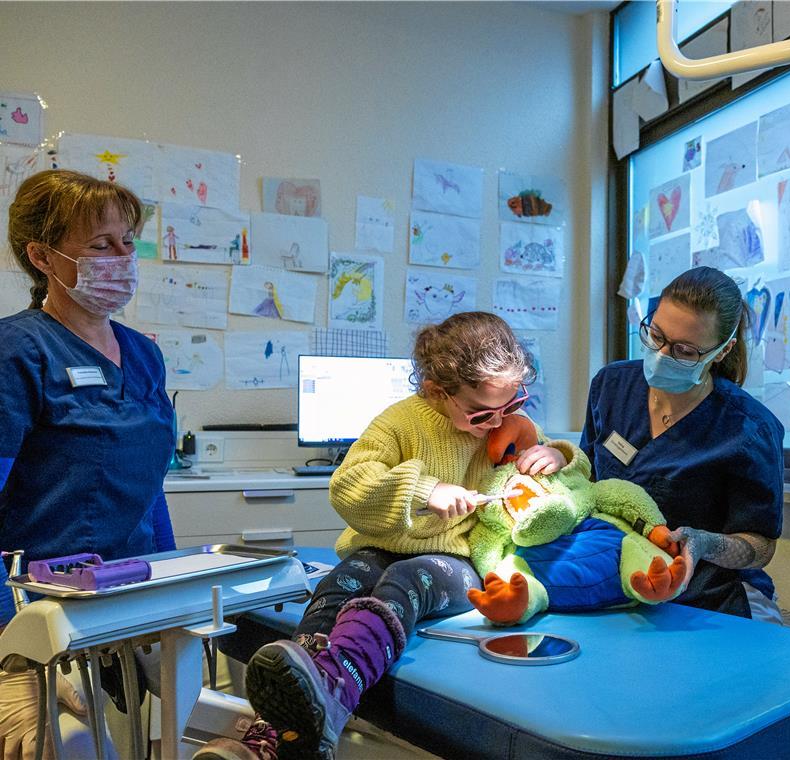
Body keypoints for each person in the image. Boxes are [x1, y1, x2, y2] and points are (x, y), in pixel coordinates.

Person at [196, 312, 576, 760]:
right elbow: (348, 485)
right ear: (437, 390)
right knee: (339, 583)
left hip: (460, 561)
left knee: (406, 581)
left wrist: (556, 452)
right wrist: (423, 489)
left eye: (511, 405)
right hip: (381, 547)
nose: (498, 425)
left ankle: (331, 695)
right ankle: (279, 735)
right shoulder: (398, 423)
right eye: (482, 414)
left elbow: (579, 478)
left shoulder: (512, 424)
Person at [0, 170, 177, 757]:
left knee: (163, 732)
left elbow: (149, 489)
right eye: (102, 245)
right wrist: (11, 649)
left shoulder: (144, 354)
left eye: (128, 242)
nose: (122, 258)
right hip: (38, 606)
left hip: (132, 596)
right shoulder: (18, 351)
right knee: (67, 745)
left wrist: (172, 584)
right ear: (41, 256)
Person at [581, 266, 785, 622]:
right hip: (615, 584)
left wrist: (706, 544)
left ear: (721, 352)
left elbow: (760, 546)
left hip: (711, 598)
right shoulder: (612, 386)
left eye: (685, 350)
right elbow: (584, 477)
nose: (661, 354)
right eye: (656, 335)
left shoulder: (749, 430)